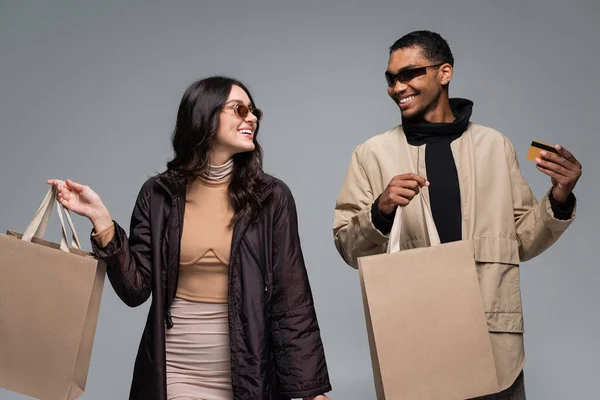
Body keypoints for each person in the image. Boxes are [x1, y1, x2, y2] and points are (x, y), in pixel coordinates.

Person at [333, 30, 581, 399]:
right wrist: (381, 210)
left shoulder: (495, 146)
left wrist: (559, 197)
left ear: (444, 73)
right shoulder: (371, 154)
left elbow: (521, 242)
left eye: (409, 74)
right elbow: (348, 248)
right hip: (415, 346)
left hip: (494, 347)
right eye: (390, 78)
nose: (397, 86)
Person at [49, 76, 331, 400]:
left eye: (254, 112)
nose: (251, 118)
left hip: (248, 370)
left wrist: (310, 390)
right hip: (174, 368)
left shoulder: (271, 197)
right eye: (239, 109)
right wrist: (102, 222)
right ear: (205, 117)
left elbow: (291, 298)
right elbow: (136, 289)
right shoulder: (159, 195)